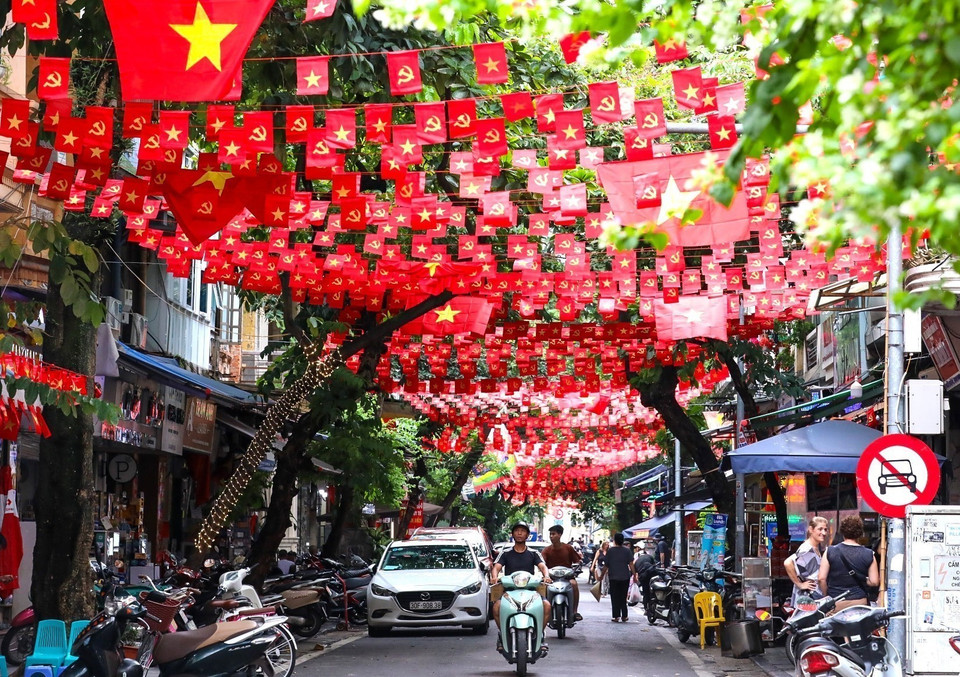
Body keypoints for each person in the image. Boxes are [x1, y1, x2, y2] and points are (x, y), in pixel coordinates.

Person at [491, 522, 552, 648]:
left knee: (546, 606)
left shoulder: (533, 553)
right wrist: (494, 577)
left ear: (527, 535)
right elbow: (496, 567)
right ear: (512, 534)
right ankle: (503, 635)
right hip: (509, 591)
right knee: (496, 607)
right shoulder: (506, 553)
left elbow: (542, 566)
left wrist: (546, 576)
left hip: (530, 590)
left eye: (522, 531)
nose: (519, 533)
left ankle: (540, 634)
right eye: (517, 531)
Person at [818, 515, 879, 611]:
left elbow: (821, 578)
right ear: (860, 533)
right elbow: (875, 582)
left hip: (836, 603)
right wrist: (863, 578)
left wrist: (826, 596)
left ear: (842, 531)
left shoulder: (830, 551)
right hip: (859, 603)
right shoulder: (869, 554)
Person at [784, 516, 829, 606]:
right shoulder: (807, 549)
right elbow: (787, 563)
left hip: (811, 595)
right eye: (820, 529)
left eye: (825, 529)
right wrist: (799, 584)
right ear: (811, 529)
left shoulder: (812, 547)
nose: (823, 532)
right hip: (809, 597)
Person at [541, 524, 583, 621]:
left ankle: (574, 611)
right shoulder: (546, 550)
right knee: (542, 587)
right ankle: (545, 611)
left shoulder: (568, 548)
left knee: (574, 584)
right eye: (550, 534)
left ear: (560, 535)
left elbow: (577, 560)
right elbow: (542, 563)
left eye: (553, 534)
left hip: (567, 577)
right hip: (551, 578)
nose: (551, 536)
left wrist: (578, 565)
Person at [601, 532, 636, 622]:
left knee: (615, 596)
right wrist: (634, 575)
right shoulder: (627, 550)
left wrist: (601, 576)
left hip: (613, 577)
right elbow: (631, 564)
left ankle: (616, 616)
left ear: (615, 540)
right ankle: (624, 616)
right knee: (623, 596)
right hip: (625, 577)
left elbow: (606, 565)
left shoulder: (610, 551)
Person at [633, 544, 657, 608]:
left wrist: (635, 578)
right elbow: (654, 566)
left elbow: (635, 572)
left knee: (645, 591)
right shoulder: (649, 556)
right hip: (651, 574)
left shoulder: (637, 561)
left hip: (643, 576)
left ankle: (646, 607)